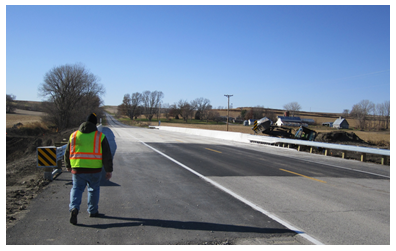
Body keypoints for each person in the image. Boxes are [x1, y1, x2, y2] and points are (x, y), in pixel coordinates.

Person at [64, 113, 113, 225]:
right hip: (94, 169)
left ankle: (74, 208)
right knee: (93, 189)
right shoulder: (100, 136)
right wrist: (109, 170)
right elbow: (107, 155)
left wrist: (67, 165)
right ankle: (92, 211)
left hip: (77, 168)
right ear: (95, 124)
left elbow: (67, 151)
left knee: (76, 188)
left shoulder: (74, 135)